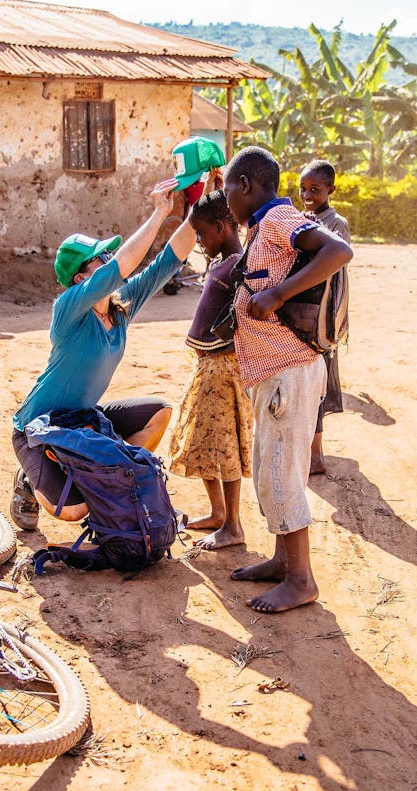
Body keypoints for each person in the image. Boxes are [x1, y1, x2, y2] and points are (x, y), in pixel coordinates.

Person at [10, 179, 198, 530]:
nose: (111, 260)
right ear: (82, 278)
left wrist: (203, 206)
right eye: (102, 259)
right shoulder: (68, 309)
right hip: (37, 427)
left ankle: (111, 481)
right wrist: (160, 213)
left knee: (159, 413)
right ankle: (28, 479)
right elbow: (122, 267)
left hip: (83, 420)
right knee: (73, 511)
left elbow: (170, 260)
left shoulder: (121, 306)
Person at [222, 146, 353, 613]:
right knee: (270, 469)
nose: (225, 198)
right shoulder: (264, 227)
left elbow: (339, 251)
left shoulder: (278, 219)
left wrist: (277, 293)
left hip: (288, 372)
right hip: (275, 375)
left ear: (244, 186)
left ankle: (301, 580)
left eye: (226, 188)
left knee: (281, 474)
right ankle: (282, 561)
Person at [167, 189, 251, 550]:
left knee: (226, 447)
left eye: (202, 234)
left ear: (221, 226)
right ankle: (219, 514)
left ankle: (232, 525)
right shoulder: (223, 264)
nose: (199, 242)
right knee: (206, 442)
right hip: (208, 366)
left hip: (224, 370)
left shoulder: (241, 264)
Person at [298, 159, 352, 474]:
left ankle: (316, 454)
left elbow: (335, 274)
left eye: (315, 190)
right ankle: (307, 450)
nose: (308, 194)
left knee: (317, 389)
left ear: (330, 189)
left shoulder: (336, 224)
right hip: (306, 314)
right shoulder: (302, 218)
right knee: (306, 386)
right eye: (303, 188)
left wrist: (334, 323)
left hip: (323, 318)